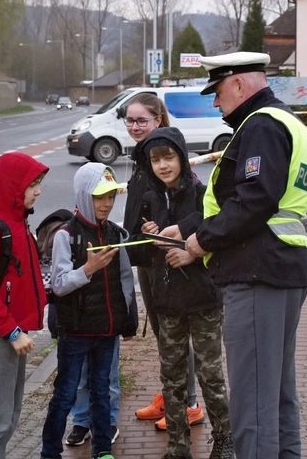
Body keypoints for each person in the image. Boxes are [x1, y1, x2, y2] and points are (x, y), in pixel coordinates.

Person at [170, 51, 307, 459]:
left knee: (253, 403)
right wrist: (184, 229)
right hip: (282, 269)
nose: (216, 103)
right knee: (277, 393)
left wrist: (200, 242)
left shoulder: (260, 126)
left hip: (257, 273)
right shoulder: (287, 121)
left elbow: (254, 199)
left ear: (238, 83)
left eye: (217, 91)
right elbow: (242, 198)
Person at [134, 127, 233, 459]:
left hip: (204, 298)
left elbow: (221, 231)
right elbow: (141, 249)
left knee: (211, 376)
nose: (162, 165)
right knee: (172, 379)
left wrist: (191, 249)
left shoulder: (205, 195)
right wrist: (149, 235)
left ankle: (224, 440)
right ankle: (178, 447)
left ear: (181, 155)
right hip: (168, 302)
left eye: (168, 157)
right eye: (155, 160)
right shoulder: (150, 198)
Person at [40, 163, 137, 459]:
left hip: (106, 330)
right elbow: (58, 285)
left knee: (102, 391)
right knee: (66, 393)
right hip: (76, 331)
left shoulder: (115, 233)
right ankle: (50, 451)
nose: (106, 204)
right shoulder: (65, 236)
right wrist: (88, 269)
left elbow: (124, 282)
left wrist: (127, 320)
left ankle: (103, 450)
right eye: (99, 197)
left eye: (110, 196)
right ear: (84, 195)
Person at [123, 93, 204, 430]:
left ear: (158, 120)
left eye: (142, 120)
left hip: (168, 259)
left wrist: (170, 231)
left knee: (174, 333)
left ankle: (189, 403)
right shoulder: (142, 160)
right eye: (129, 120)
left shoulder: (167, 160)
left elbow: (195, 209)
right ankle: (170, 394)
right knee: (161, 333)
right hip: (146, 256)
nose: (134, 126)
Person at [0, 151, 49, 459]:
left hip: (13, 334)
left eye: (38, 184)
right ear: (13, 187)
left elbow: (24, 281)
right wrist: (12, 331)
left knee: (9, 415)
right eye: (32, 185)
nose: (38, 191)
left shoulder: (20, 227)